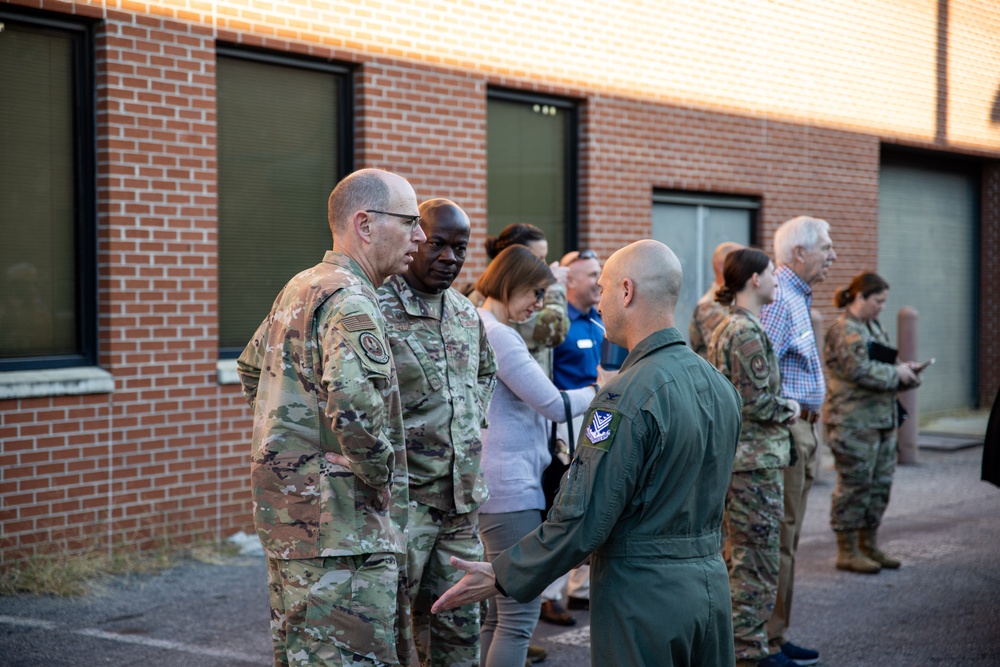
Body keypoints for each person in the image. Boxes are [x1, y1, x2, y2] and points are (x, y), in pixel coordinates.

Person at [433, 240, 743, 667]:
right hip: (710, 585)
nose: (598, 302)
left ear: (627, 291)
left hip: (642, 593)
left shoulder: (624, 395)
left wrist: (505, 572)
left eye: (603, 289)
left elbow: (584, 516)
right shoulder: (719, 385)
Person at [237, 168, 426, 667]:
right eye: (410, 221)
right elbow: (355, 411)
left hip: (297, 523)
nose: (421, 237)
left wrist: (291, 443)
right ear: (365, 224)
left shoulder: (303, 286)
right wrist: (379, 476)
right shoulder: (351, 300)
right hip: (343, 533)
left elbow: (252, 369)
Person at [376, 199, 497, 666]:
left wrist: (469, 420)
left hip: (461, 507)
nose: (449, 257)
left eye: (460, 248)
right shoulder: (374, 305)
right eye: (439, 244)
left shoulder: (466, 313)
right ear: (415, 240)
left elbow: (487, 372)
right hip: (403, 506)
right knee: (392, 632)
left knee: (459, 634)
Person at [474, 244, 597, 667]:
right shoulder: (498, 335)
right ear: (513, 284)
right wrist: (603, 388)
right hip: (511, 491)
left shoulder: (482, 325)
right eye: (536, 294)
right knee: (518, 615)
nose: (539, 305)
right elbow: (556, 405)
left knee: (496, 613)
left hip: (496, 486)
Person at [707, 248, 801, 667]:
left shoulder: (736, 326)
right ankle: (748, 650)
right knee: (754, 558)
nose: (776, 280)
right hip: (752, 462)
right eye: (769, 274)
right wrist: (791, 408)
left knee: (745, 555)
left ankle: (749, 643)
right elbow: (755, 401)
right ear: (753, 280)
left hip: (747, 461)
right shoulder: (743, 331)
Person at [758, 215, 836, 666]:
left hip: (802, 430)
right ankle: (763, 641)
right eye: (826, 247)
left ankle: (776, 633)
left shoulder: (794, 295)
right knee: (778, 539)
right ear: (799, 253)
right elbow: (756, 376)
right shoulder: (779, 299)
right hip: (787, 432)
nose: (833, 255)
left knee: (789, 538)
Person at [824, 272, 920, 574]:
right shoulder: (845, 330)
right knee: (855, 486)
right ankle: (847, 550)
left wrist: (904, 371)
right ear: (860, 297)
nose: (881, 307)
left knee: (879, 487)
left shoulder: (872, 326)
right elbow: (860, 371)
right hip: (854, 423)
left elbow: (881, 365)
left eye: (884, 302)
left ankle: (869, 543)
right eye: (878, 301)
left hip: (880, 419)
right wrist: (896, 375)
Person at [465, 223, 570, 377]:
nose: (544, 266)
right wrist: (554, 286)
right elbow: (554, 330)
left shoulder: (518, 296)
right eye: (538, 258)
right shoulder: (498, 299)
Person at [690, 241, 744, 358]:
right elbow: (727, 348)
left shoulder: (734, 300)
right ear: (721, 266)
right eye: (739, 262)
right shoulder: (710, 305)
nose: (744, 268)